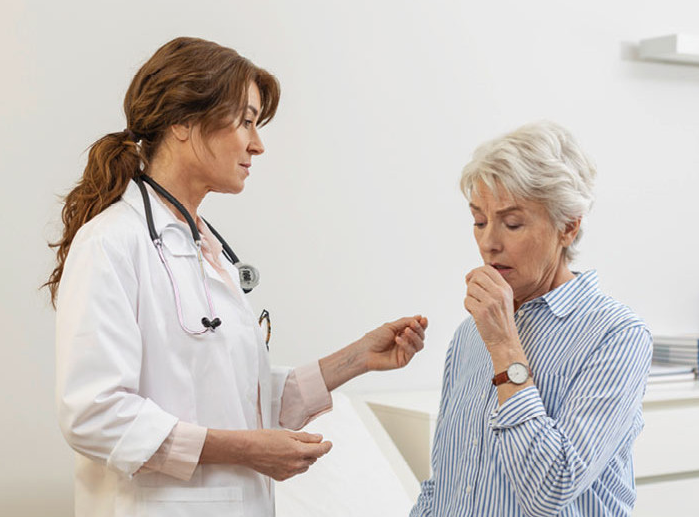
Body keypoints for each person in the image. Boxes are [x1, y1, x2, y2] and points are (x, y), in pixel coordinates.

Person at [46, 37, 429, 517]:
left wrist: (356, 359)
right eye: (245, 121)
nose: (258, 144)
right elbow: (94, 414)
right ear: (184, 121)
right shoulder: (112, 243)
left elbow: (239, 399)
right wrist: (247, 450)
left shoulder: (204, 247)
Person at [410, 121, 653, 517]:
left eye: (513, 223)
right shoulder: (469, 335)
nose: (489, 242)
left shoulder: (616, 336)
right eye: (479, 220)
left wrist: (505, 347)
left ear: (568, 227)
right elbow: (445, 486)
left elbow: (552, 488)